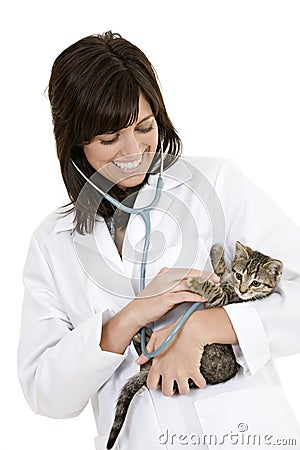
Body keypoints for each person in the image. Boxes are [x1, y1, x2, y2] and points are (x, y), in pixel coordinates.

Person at [18, 31, 300, 450]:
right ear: (75, 142)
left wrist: (204, 327)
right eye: (109, 139)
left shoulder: (217, 183)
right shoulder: (51, 244)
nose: (133, 150)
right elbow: (46, 393)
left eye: (144, 127)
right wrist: (127, 318)